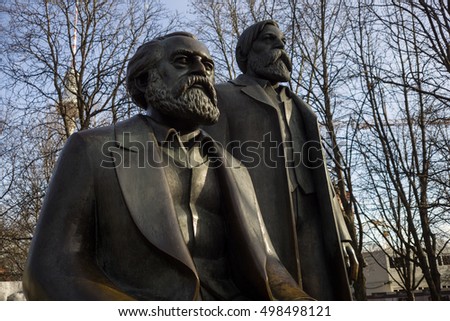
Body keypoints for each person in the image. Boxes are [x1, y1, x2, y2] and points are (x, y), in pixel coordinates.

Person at [22, 32, 314, 301]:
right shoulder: (93, 149)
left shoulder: (236, 168)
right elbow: (51, 267)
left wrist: (306, 307)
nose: (201, 71)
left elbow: (268, 262)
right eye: (183, 61)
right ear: (144, 80)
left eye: (208, 66)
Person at [207, 21, 358, 300]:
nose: (280, 46)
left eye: (282, 41)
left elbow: (323, 178)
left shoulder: (301, 107)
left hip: (312, 214)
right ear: (245, 53)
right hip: (259, 219)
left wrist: (343, 235)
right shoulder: (223, 97)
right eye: (269, 40)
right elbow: (210, 167)